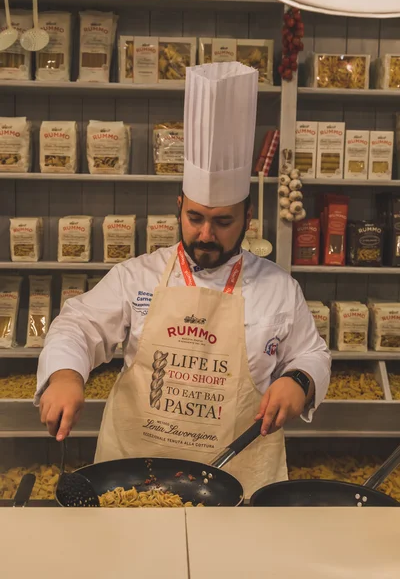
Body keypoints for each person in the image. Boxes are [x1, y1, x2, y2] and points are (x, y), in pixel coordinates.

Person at [36, 61, 331, 498]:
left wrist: (300, 382)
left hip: (238, 484)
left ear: (248, 218)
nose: (205, 234)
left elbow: (311, 353)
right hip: (134, 481)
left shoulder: (278, 289)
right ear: (179, 207)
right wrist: (64, 374)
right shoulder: (137, 275)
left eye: (222, 221)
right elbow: (79, 324)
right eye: (194, 218)